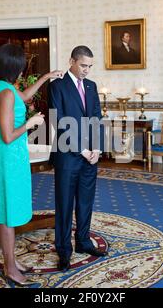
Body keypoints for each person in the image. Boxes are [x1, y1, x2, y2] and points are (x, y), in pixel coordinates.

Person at [0, 43, 63, 286]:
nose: (23, 70)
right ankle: (10, 267)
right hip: (7, 152)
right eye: (21, 66)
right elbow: (9, 135)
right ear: (14, 67)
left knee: (4, 206)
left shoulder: (1, 86)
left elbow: (26, 96)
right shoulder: (7, 93)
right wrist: (31, 124)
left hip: (7, 152)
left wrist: (46, 77)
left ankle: (10, 259)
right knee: (7, 211)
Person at [48, 45, 107, 273]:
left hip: (90, 157)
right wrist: (82, 149)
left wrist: (97, 150)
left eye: (90, 66)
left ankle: (83, 242)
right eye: (83, 65)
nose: (86, 71)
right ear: (71, 61)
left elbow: (97, 119)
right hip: (68, 155)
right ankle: (63, 250)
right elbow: (60, 122)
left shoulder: (91, 87)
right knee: (64, 204)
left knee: (85, 201)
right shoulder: (57, 86)